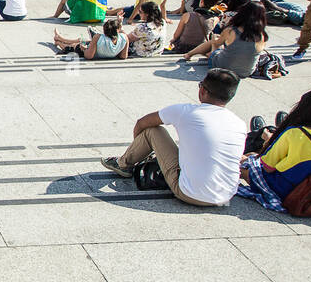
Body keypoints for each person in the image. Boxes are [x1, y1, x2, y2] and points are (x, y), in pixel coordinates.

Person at [102, 68, 247, 207]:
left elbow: (142, 124)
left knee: (153, 131)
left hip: (190, 194)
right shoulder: (239, 124)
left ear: (202, 90)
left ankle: (124, 164)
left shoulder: (185, 111)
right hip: (226, 195)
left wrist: (140, 149)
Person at [237, 81, 311, 214]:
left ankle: (264, 137)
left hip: (285, 192)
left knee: (246, 159)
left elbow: (267, 166)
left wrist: (269, 142)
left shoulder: (296, 134)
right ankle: (268, 138)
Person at [179, 2, 268, 77]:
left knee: (214, 40)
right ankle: (202, 54)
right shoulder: (263, 36)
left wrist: (215, 40)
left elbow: (217, 43)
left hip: (223, 68)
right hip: (246, 72)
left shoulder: (232, 30)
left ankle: (189, 54)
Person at [53, 18, 129, 61]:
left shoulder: (98, 37)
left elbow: (89, 56)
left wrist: (84, 49)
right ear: (118, 30)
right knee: (84, 40)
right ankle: (60, 38)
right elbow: (123, 56)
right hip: (98, 48)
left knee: (74, 46)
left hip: (93, 53)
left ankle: (59, 42)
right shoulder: (124, 38)